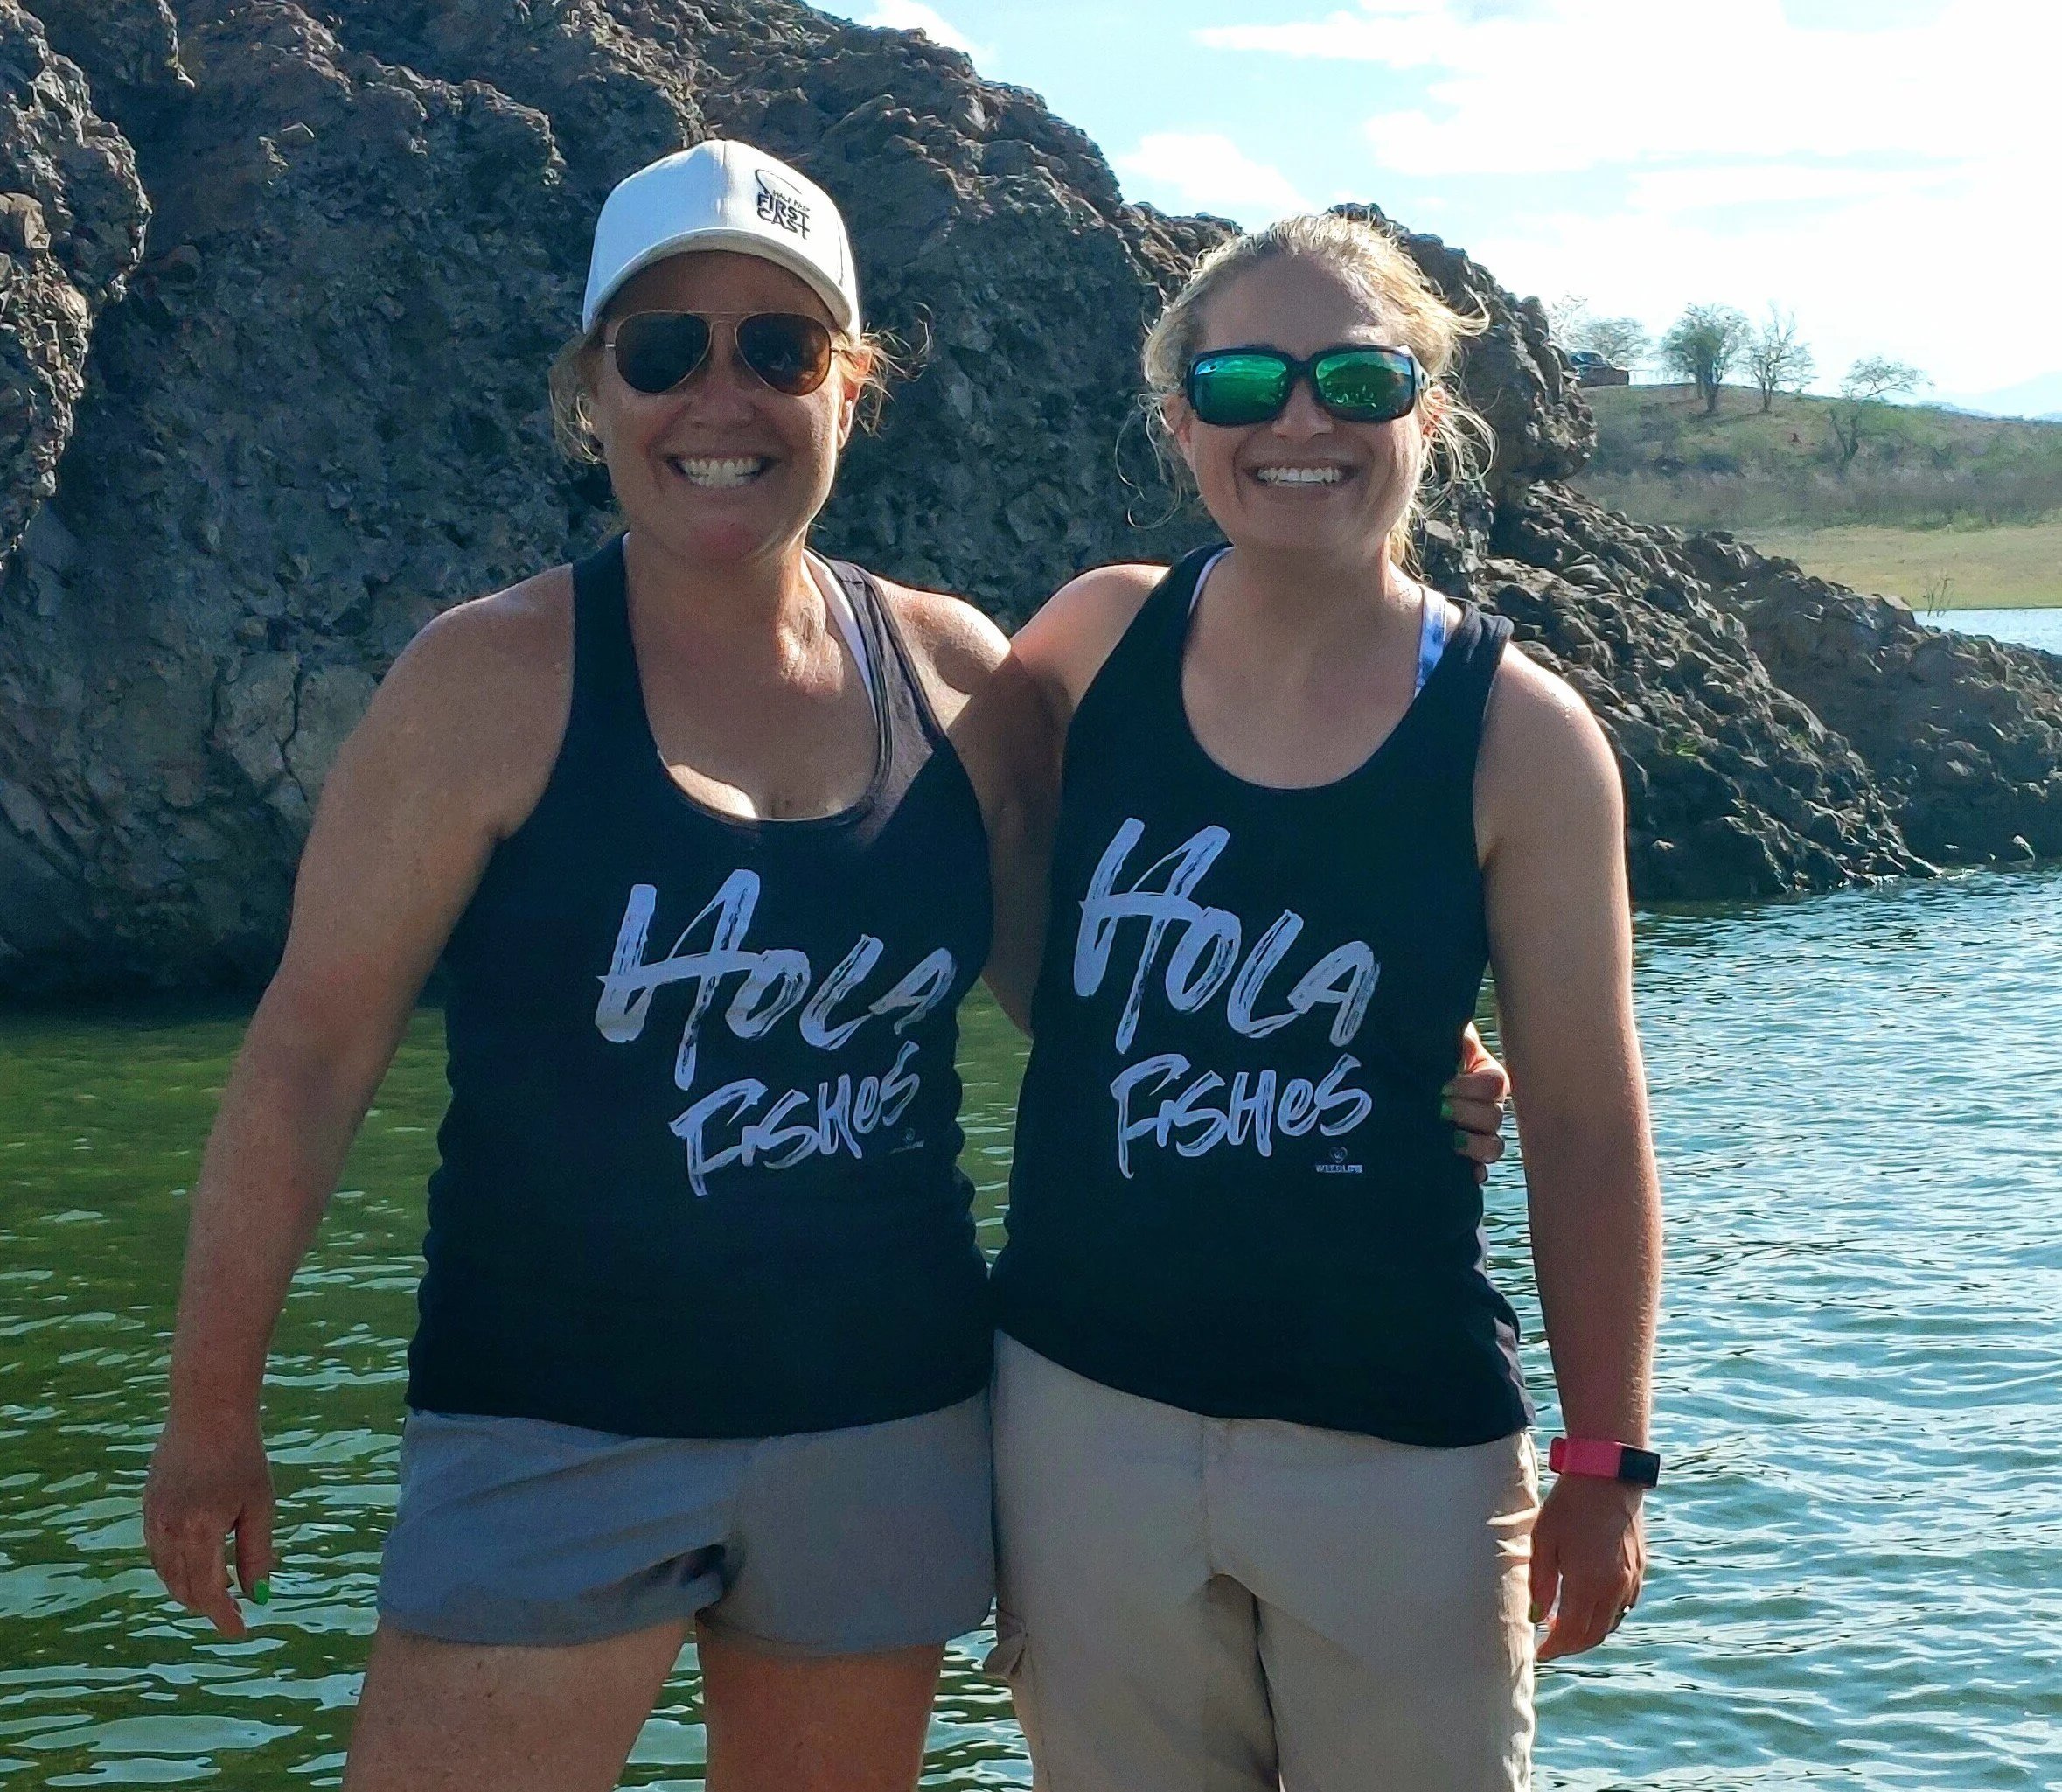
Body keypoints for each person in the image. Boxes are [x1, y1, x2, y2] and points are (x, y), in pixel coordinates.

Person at [140, 144, 1512, 1790]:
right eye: (663, 350)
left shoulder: (952, 671)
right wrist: (214, 1408)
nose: (719, 395)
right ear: (595, 391)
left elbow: (1083, 984)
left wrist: (1389, 1050)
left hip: (886, 1424)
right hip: (549, 1415)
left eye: (779, 350)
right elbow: (310, 1053)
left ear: (851, 386)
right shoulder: (486, 683)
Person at [986, 213, 1663, 1791]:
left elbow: (1583, 1121)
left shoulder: (1521, 737)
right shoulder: (1095, 644)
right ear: (1182, 424)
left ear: (1426, 412)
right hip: (1082, 1422)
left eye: (1357, 376)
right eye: (1242, 382)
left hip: (1401, 1455)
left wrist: (1604, 1460)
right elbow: (989, 923)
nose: (1300, 421)